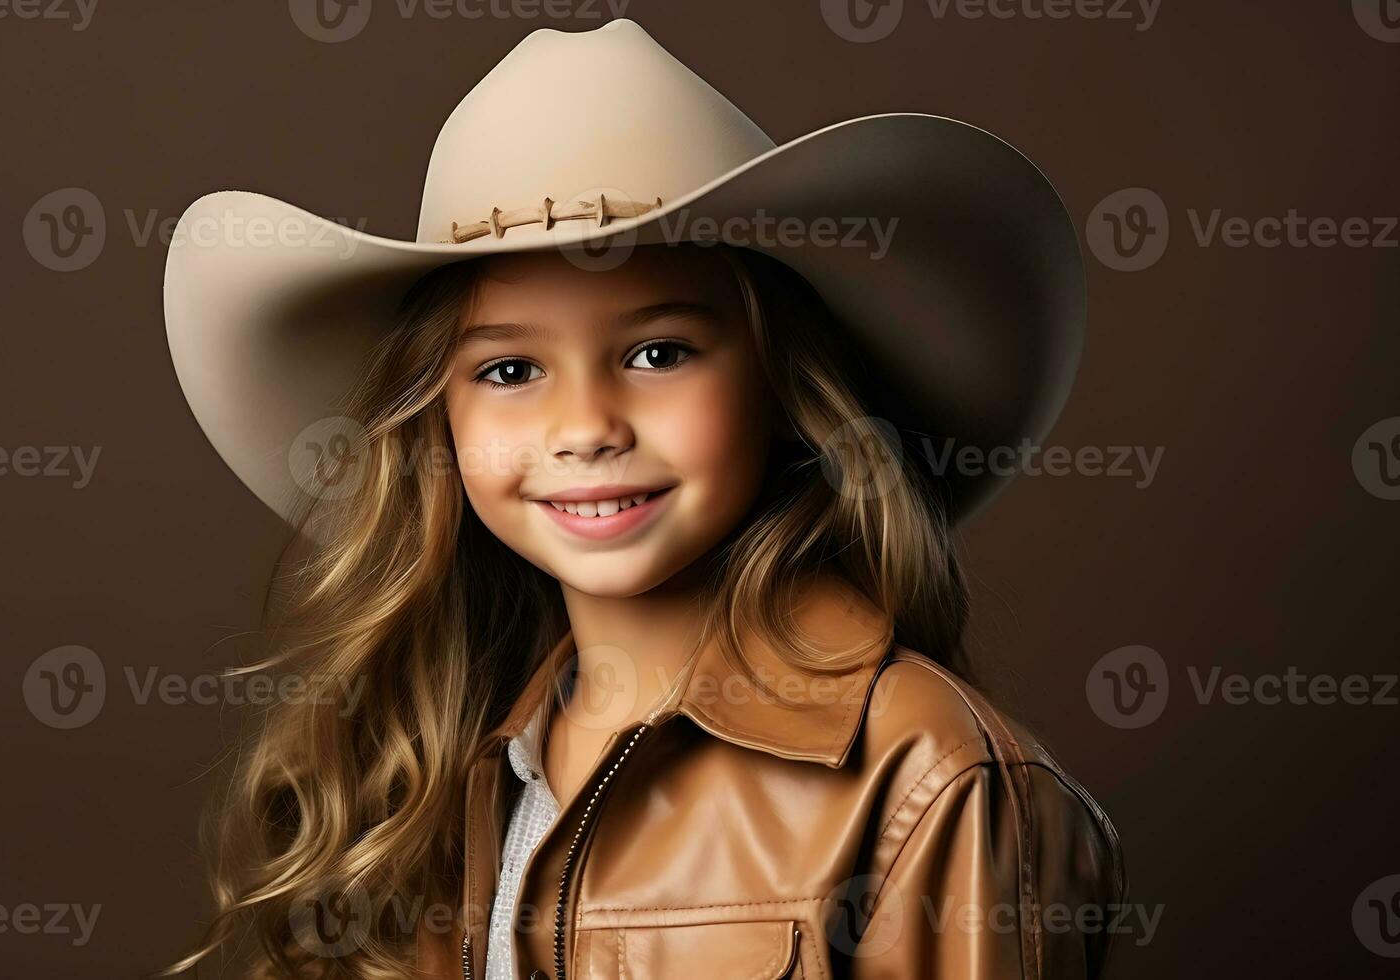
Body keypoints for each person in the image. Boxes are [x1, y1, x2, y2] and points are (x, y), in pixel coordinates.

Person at [161, 18, 1124, 979]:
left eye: (658, 353)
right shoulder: (449, 776)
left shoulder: (931, 779)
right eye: (508, 368)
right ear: (437, 423)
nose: (586, 426)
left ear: (781, 387)